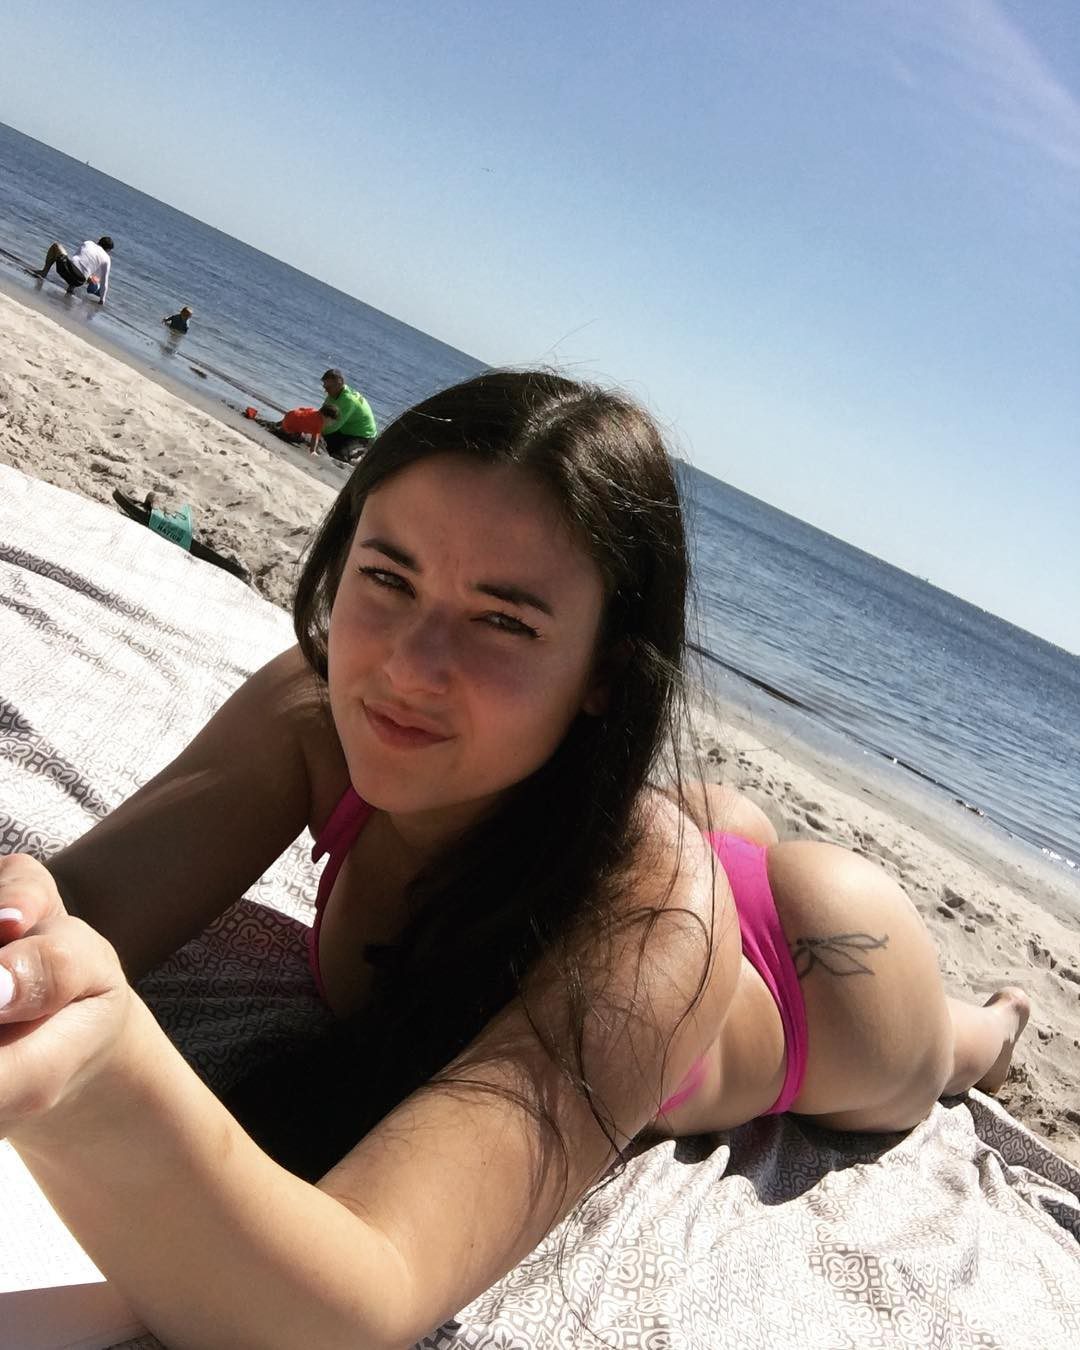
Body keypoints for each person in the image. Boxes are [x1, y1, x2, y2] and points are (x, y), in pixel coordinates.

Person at [0, 371, 1029, 1348]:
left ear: (604, 672)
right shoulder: (316, 713)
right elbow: (81, 896)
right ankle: (717, 826)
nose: (409, 668)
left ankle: (1001, 1021)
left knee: (943, 1053)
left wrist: (97, 1076)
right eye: (387, 577)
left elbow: (366, 1293)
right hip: (609, 836)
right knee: (681, 833)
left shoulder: (656, 925)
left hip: (818, 977)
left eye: (503, 621)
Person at [317, 366, 377, 462]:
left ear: (339, 383)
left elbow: (334, 426)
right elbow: (321, 414)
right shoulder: (333, 394)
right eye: (324, 386)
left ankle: (362, 453)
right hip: (345, 430)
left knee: (339, 456)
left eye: (328, 387)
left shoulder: (348, 400)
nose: (325, 390)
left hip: (363, 436)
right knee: (323, 442)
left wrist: (315, 431)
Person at [33, 236, 114, 304]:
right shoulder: (107, 258)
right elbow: (104, 282)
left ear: (98, 241)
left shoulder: (88, 243)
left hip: (64, 270)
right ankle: (71, 289)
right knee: (86, 272)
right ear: (108, 250)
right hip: (78, 281)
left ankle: (44, 272)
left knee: (56, 245)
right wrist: (102, 300)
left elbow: (76, 260)